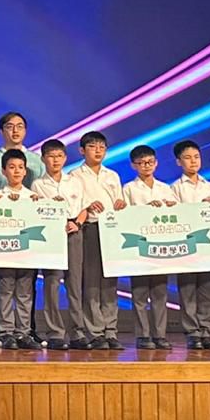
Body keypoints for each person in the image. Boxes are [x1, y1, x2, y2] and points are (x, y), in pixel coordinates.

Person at [0, 112, 46, 346]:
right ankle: (3, 331)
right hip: (1, 238)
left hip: (27, 242)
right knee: (4, 287)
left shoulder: (37, 162)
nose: (15, 131)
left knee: (27, 288)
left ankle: (25, 331)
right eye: (10, 126)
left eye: (20, 126)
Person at [71, 130, 125, 350]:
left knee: (110, 281)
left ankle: (111, 331)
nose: (98, 151)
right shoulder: (75, 175)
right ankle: (95, 331)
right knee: (92, 282)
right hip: (90, 228)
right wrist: (87, 206)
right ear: (82, 150)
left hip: (111, 229)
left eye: (102, 147)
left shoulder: (112, 175)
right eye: (93, 146)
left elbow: (119, 201)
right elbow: (74, 204)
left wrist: (121, 204)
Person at [30, 137, 86, 351]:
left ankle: (77, 332)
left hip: (74, 232)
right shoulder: (38, 184)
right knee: (52, 284)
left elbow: (84, 208)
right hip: (51, 237)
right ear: (43, 159)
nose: (56, 160)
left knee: (75, 284)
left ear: (65, 158)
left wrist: (77, 223)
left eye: (60, 156)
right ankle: (55, 333)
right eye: (51, 156)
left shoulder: (75, 181)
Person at [122, 144, 175, 350]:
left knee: (160, 293)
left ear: (156, 163)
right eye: (142, 163)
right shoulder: (129, 189)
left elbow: (178, 215)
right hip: (140, 247)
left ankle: (160, 334)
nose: (147, 166)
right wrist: (145, 210)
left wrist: (170, 208)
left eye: (150, 162)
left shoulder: (165, 189)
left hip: (162, 247)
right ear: (133, 165)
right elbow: (125, 216)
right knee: (140, 293)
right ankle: (143, 335)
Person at [172, 138, 210, 350]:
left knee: (207, 289)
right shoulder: (175, 188)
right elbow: (175, 216)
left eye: (196, 157)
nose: (193, 161)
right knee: (188, 289)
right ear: (179, 162)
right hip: (186, 245)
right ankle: (192, 332)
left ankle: (205, 330)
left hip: (207, 245)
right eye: (187, 158)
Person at [0, 149, 39, 350]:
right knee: (5, 291)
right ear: (4, 171)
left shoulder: (34, 198)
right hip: (5, 252)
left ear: (26, 171)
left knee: (25, 293)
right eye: (12, 167)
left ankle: (23, 332)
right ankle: (6, 332)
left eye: (20, 167)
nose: (17, 171)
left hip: (27, 253)